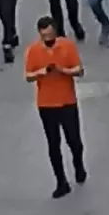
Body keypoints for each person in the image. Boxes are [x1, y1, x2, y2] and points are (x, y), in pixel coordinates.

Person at [24, 17, 86, 196]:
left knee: (74, 139)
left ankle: (78, 165)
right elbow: (28, 75)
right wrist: (41, 72)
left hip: (67, 101)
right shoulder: (34, 51)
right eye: (44, 35)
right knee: (53, 143)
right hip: (46, 103)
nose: (47, 38)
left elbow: (79, 70)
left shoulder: (67, 46)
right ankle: (61, 181)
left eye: (50, 34)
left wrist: (63, 70)